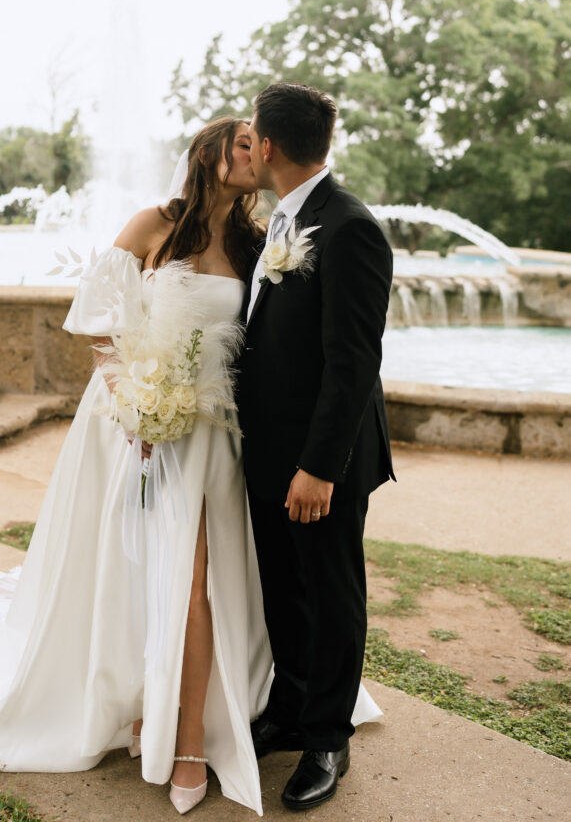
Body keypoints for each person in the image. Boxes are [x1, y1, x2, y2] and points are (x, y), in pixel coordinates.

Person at [0, 117, 275, 815]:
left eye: (260, 143)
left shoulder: (254, 242)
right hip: (133, 425)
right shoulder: (156, 223)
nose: (256, 152)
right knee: (132, 568)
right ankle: (139, 705)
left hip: (214, 431)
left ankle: (186, 738)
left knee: (196, 578)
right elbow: (98, 319)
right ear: (211, 155)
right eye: (244, 142)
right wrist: (135, 402)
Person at [237, 83, 395, 812]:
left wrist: (317, 468)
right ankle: (291, 710)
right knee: (282, 588)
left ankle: (328, 737)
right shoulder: (282, 222)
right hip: (268, 451)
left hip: (320, 463)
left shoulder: (349, 226)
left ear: (267, 147)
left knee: (330, 594)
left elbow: (353, 363)